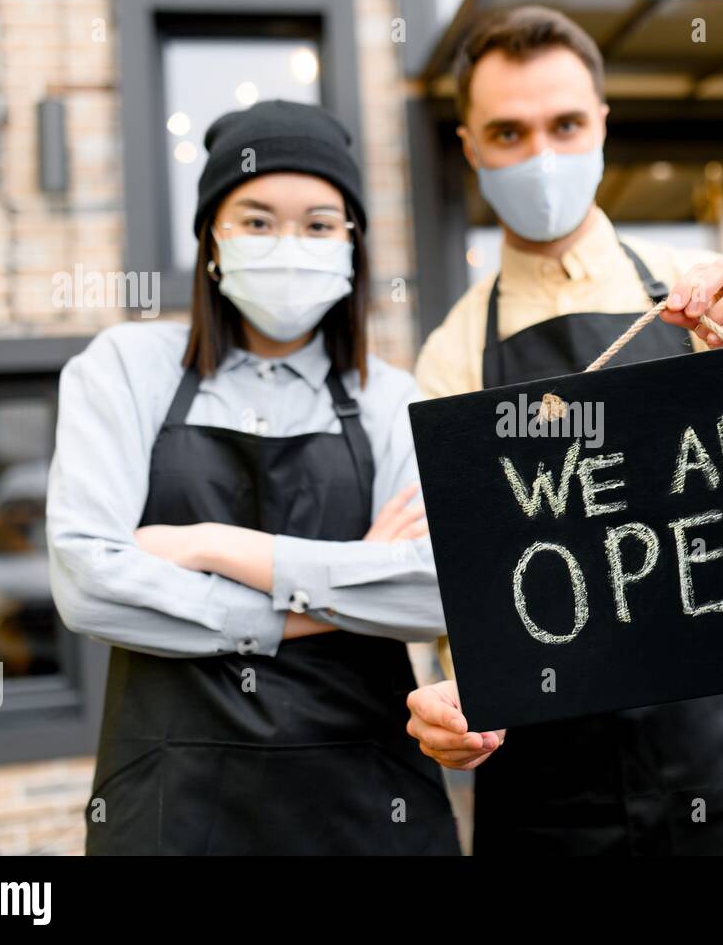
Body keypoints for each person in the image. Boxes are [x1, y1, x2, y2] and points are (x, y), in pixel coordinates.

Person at [406, 7, 723, 855]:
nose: (541, 155)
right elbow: (455, 580)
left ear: (601, 126)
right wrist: (447, 692)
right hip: (551, 793)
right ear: (471, 147)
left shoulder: (704, 297)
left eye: (564, 125)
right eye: (508, 133)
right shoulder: (450, 357)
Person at [46, 100, 460, 855]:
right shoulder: (123, 369)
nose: (289, 245)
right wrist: (335, 591)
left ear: (352, 244)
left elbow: (439, 587)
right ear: (211, 241)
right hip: (173, 806)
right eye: (257, 220)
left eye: (319, 223)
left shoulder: (393, 399)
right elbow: (86, 578)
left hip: (366, 802)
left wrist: (211, 545)